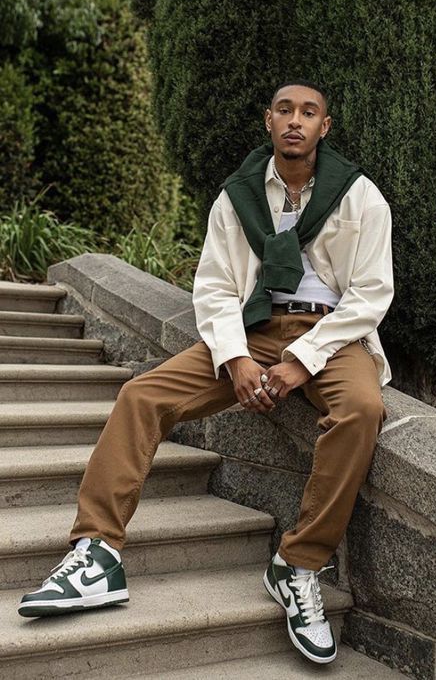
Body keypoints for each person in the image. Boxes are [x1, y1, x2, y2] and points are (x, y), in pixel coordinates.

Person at [18, 79, 394, 665]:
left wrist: (302, 360)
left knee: (362, 410)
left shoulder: (361, 196)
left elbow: (370, 294)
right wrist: (235, 356)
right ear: (268, 120)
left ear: (325, 126)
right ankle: (97, 554)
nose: (295, 120)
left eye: (308, 112)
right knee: (142, 396)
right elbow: (215, 287)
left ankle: (298, 565)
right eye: (285, 110)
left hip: (332, 334)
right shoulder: (236, 196)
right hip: (252, 326)